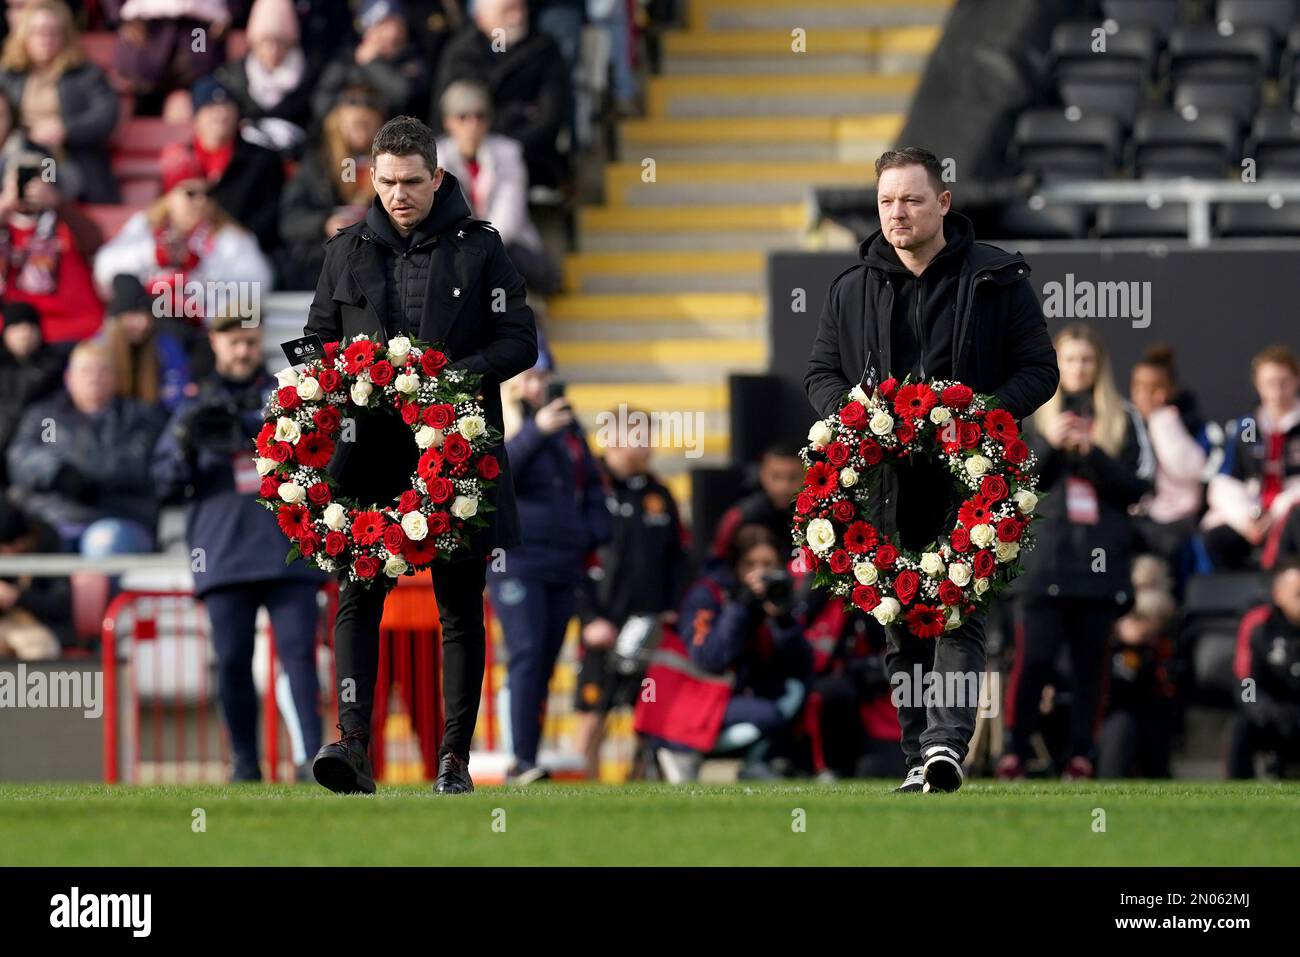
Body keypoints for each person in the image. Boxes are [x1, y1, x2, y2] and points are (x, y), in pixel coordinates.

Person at [803, 146, 1059, 793]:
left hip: (970, 484)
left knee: (956, 611)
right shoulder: (850, 288)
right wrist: (854, 419)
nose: (898, 213)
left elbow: (1040, 370)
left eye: (912, 199)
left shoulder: (998, 278)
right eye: (887, 201)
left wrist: (983, 412)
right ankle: (922, 753)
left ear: (943, 202)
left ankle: (946, 746)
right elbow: (820, 375)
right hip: (885, 486)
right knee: (898, 622)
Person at [304, 115, 537, 795]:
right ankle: (351, 745)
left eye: (412, 182)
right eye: (387, 182)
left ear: (438, 177)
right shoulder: (343, 251)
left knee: (460, 604)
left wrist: (451, 378)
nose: (399, 194)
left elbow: (520, 340)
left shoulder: (483, 249)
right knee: (356, 595)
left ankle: (454, 760)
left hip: (459, 451)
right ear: (371, 177)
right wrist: (337, 379)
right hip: (365, 452)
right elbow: (318, 342)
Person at [152, 312, 326, 782]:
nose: (243, 351)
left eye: (250, 342)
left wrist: (266, 427)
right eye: (234, 342)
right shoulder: (194, 405)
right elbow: (163, 483)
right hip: (224, 549)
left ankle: (312, 760)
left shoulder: (289, 394)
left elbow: (326, 457)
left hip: (289, 548)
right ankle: (245, 764)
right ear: (215, 344)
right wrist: (188, 445)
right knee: (231, 661)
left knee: (299, 658)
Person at [999, 323, 1154, 781]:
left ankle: (1082, 755)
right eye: (1070, 359)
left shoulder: (1123, 416)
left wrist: (1094, 453)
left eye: (1087, 359)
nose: (1078, 368)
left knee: (1091, 667)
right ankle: (1014, 752)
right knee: (1034, 662)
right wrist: (1051, 446)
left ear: (1099, 365)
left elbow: (1139, 486)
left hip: (1099, 565)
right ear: (1056, 364)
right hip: (1042, 564)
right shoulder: (1030, 415)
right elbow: (1010, 485)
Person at [491, 352, 611, 783]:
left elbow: (592, 483)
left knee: (544, 659)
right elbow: (499, 473)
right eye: (532, 376)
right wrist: (536, 432)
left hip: (563, 560)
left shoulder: (568, 426)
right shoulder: (503, 418)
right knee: (525, 653)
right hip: (517, 559)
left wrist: (595, 528)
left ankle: (529, 756)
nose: (540, 385)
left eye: (545, 376)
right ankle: (520, 759)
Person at [572, 407, 686, 779]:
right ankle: (580, 793)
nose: (647, 445)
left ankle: (639, 788)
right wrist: (589, 619)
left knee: (648, 714)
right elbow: (573, 559)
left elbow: (678, 558)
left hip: (649, 627)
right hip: (603, 627)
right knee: (592, 714)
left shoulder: (660, 495)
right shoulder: (589, 488)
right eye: (639, 435)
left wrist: (671, 610)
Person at [657, 524, 813, 782]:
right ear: (736, 566)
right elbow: (710, 658)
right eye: (750, 564)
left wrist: (782, 619)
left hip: (737, 694)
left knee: (795, 691)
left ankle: (763, 760)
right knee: (768, 714)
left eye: (768, 564)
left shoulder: (778, 597)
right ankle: (683, 752)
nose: (759, 573)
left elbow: (802, 666)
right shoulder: (708, 595)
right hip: (693, 696)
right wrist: (741, 606)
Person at [6, 339, 164, 555]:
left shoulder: (138, 418)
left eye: (102, 370)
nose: (94, 377)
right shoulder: (47, 418)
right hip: (52, 519)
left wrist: (85, 478)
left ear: (115, 377)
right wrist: (58, 473)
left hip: (118, 517)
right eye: (86, 370)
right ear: (68, 378)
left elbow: (141, 464)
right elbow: (22, 457)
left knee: (104, 541)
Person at [92, 142, 273, 319]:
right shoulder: (146, 225)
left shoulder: (227, 235)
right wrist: (154, 256)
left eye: (207, 194)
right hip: (153, 319)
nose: (201, 201)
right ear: (170, 195)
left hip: (204, 327)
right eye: (191, 193)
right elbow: (105, 266)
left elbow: (260, 282)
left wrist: (198, 268)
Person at [435, 79, 558, 294]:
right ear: (448, 122)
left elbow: (508, 217)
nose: (472, 124)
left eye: (480, 116)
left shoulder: (508, 152)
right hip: (460, 251)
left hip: (508, 248)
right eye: (463, 117)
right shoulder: (436, 157)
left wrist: (476, 252)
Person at [432, 0, 571, 189]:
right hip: (465, 159)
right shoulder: (460, 53)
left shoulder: (544, 50)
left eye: (521, 8)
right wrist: (512, 116)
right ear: (481, 18)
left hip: (530, 158)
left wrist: (505, 147)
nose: (518, 17)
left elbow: (550, 118)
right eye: (508, 11)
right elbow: (446, 115)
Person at [0, 0, 120, 203]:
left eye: (53, 32)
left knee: (43, 173)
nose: (45, 39)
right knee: (19, 166)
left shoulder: (86, 75)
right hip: (17, 156)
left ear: (65, 36)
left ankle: (44, 208)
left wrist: (65, 130)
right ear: (24, 35)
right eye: (38, 32)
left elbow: (106, 116)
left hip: (63, 160)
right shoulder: (9, 75)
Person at [1201, 345, 1300, 570]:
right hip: (1253, 515)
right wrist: (1244, 518)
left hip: (1293, 515)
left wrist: (1281, 509)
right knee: (1215, 539)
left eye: (1283, 382)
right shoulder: (1247, 426)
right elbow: (1226, 480)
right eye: (1269, 383)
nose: (1277, 391)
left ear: (1296, 380)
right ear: (1257, 384)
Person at [277, 85, 384, 290]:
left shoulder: (393, 164)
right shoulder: (317, 164)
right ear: (337, 122)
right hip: (321, 264)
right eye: (356, 125)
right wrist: (325, 223)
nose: (362, 131)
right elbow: (289, 220)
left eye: (367, 124)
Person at [0, 135, 105, 345]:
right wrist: (4, 207)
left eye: (35, 177)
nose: (27, 185)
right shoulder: (4, 225)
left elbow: (94, 242)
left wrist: (57, 202)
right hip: (15, 331)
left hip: (76, 328)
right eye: (21, 177)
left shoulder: (66, 218)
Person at [180, 74, 286, 254]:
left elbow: (273, 216)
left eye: (227, 106)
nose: (221, 114)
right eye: (211, 107)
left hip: (245, 254)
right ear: (196, 117)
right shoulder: (181, 159)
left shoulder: (262, 159)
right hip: (187, 253)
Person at [1128, 343, 1209, 577]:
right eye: (1139, 387)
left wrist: (1161, 423)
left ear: (1169, 392)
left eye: (1155, 389)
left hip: (1175, 520)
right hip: (1138, 516)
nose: (1146, 396)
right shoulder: (1126, 425)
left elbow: (1190, 470)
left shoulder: (1183, 423)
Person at [1095, 555, 1178, 779]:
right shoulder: (1105, 637)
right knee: (1121, 727)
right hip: (1107, 712)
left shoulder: (1156, 649)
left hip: (1143, 713)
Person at [1226, 558, 1300, 778]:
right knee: (1241, 727)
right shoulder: (1258, 625)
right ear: (1278, 595)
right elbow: (1245, 680)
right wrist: (1262, 710)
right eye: (1297, 595)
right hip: (1273, 716)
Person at [214, 0, 315, 154]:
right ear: (255, 42)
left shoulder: (309, 76)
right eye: (266, 42)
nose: (273, 51)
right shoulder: (233, 77)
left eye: (281, 42)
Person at [99, 272, 206, 412]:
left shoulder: (163, 343)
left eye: (145, 315)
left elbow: (177, 385)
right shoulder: (99, 349)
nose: (141, 323)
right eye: (133, 315)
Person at [311, 0, 430, 122]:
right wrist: (355, 104)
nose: (392, 33)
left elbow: (405, 96)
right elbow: (321, 103)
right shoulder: (346, 60)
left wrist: (372, 63)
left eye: (398, 25)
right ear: (367, 32)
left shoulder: (415, 57)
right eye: (382, 25)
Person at [110, 0, 230, 113]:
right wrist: (120, 16)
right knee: (143, 89)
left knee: (201, 78)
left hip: (199, 27)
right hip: (145, 25)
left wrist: (229, 13)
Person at [0, 301, 63, 483]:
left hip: (38, 451)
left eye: (31, 327)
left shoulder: (53, 367)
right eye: (18, 327)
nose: (25, 333)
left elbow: (51, 423)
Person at [0, 499, 71, 659]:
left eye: (7, 548)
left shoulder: (48, 547)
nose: (5, 554)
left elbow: (60, 606)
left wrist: (16, 596)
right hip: (4, 627)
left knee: (36, 647)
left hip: (41, 628)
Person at [711, 442, 803, 561]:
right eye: (776, 476)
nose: (783, 487)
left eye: (793, 477)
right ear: (763, 475)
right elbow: (715, 563)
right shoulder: (739, 517)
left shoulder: (820, 515)